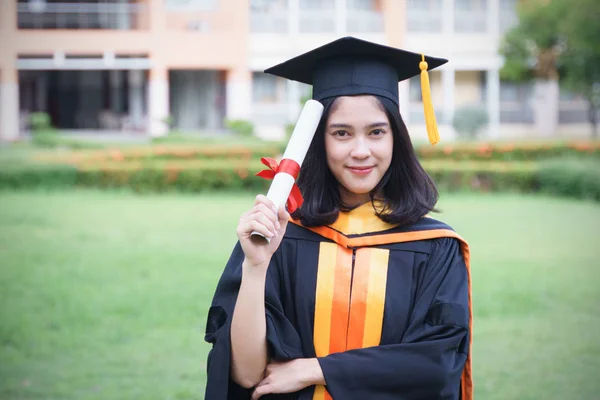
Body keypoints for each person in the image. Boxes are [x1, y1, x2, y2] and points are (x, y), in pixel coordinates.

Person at [204, 37, 473, 400]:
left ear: (396, 137)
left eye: (376, 132)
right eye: (341, 133)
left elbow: (436, 363)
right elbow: (247, 373)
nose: (360, 151)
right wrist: (255, 267)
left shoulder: (434, 246)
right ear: (319, 141)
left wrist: (315, 369)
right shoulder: (282, 233)